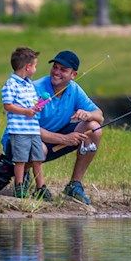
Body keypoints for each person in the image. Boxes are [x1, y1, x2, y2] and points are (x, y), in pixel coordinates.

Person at [33, 50, 104, 205]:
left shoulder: (74, 89)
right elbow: (29, 128)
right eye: (55, 67)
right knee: (40, 147)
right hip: (28, 140)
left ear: (73, 75)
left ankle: (74, 185)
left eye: (63, 70)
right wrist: (64, 138)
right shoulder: (36, 88)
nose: (56, 72)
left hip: (52, 141)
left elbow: (100, 115)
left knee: (94, 128)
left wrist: (88, 114)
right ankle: (30, 182)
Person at [1, 47, 52, 201]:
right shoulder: (10, 84)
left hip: (33, 130)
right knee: (21, 160)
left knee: (37, 158)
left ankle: (40, 188)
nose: (36, 69)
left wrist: (40, 104)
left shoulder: (29, 84)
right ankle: (19, 187)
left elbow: (31, 105)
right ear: (27, 67)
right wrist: (26, 112)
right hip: (19, 131)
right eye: (35, 65)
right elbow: (8, 105)